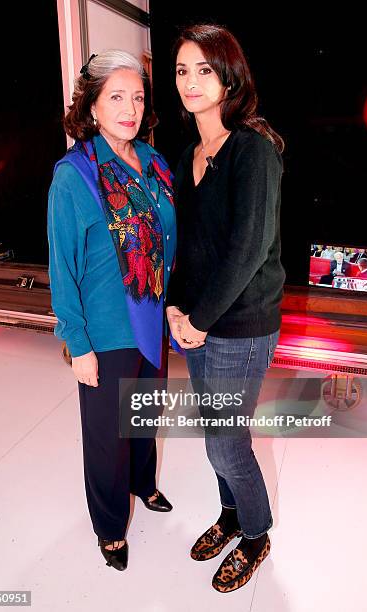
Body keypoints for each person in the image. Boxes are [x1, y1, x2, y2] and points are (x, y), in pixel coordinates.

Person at [166, 24, 285, 593]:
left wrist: (198, 318)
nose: (191, 81)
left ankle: (256, 533)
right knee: (214, 429)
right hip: (198, 319)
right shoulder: (188, 152)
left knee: (225, 439)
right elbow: (186, 244)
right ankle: (232, 514)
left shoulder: (253, 150)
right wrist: (173, 306)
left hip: (240, 323)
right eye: (183, 70)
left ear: (229, 76)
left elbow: (248, 250)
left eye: (204, 70)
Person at [47, 50, 176, 571]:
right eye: (116, 97)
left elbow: (167, 242)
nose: (130, 108)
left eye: (138, 97)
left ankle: (143, 486)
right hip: (105, 330)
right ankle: (108, 526)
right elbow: (63, 267)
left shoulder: (154, 162)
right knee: (107, 436)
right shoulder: (74, 175)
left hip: (151, 320)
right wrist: (77, 344)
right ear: (93, 108)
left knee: (144, 417)